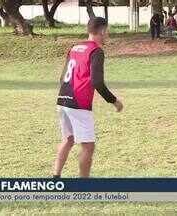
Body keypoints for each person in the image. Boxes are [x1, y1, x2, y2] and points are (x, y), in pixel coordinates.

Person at [53, 17, 123, 178]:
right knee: (88, 146)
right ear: (102, 31)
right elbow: (97, 81)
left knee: (68, 139)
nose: (108, 36)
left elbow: (62, 76)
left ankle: (55, 176)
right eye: (108, 32)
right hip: (78, 103)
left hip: (63, 99)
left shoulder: (75, 47)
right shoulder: (96, 51)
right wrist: (114, 101)